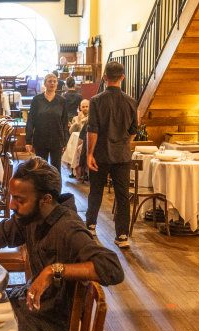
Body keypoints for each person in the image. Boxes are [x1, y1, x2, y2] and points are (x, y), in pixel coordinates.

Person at [0, 157, 123, 331]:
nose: (11, 205)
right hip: (27, 306)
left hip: (52, 325)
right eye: (12, 197)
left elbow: (113, 268)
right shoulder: (32, 216)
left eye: (20, 200)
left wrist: (53, 270)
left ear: (46, 199)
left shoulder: (68, 228)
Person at [85, 61, 138, 248]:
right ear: (122, 77)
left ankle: (90, 226)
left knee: (96, 191)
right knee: (122, 195)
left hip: (100, 153)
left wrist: (89, 154)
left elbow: (93, 130)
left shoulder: (96, 101)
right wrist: (124, 143)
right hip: (122, 155)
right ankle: (122, 235)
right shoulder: (131, 101)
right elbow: (133, 130)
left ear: (105, 77)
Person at [25, 73, 68, 174]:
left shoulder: (62, 101)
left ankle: (56, 189)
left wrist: (65, 141)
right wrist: (28, 140)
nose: (52, 83)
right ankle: (41, 189)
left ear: (57, 83)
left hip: (57, 139)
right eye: (50, 81)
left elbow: (65, 122)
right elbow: (30, 120)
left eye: (54, 81)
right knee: (40, 168)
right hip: (40, 138)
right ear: (45, 83)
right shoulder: (37, 100)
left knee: (56, 168)